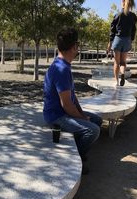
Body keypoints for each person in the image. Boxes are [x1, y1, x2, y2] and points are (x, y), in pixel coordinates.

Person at [43, 28, 102, 174]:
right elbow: (66, 105)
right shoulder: (61, 69)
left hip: (64, 111)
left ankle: (76, 146)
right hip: (56, 116)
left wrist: (82, 113)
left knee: (97, 120)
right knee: (92, 130)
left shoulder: (62, 65)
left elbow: (72, 97)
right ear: (74, 47)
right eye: (78, 45)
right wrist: (82, 118)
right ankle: (76, 159)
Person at [107, 0, 137, 86]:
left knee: (116, 62)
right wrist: (131, 40)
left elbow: (112, 30)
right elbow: (134, 30)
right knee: (123, 62)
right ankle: (123, 74)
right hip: (127, 40)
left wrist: (110, 42)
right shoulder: (133, 16)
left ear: (123, 2)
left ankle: (116, 81)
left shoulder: (118, 14)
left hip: (118, 39)